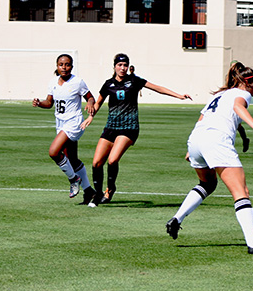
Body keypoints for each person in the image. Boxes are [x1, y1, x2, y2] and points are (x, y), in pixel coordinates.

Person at [166, 62, 253, 254]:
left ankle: (176, 219)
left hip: (196, 139)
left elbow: (204, 119)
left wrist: (192, 149)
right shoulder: (241, 94)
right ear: (244, 82)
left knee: (207, 184)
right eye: (252, 82)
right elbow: (238, 108)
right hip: (216, 141)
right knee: (241, 190)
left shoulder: (220, 95)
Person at [82, 53, 192, 207]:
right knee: (96, 163)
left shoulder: (134, 80)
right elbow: (98, 103)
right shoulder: (108, 84)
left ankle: (110, 189)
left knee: (113, 160)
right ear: (114, 66)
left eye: (125, 65)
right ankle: (98, 194)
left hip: (129, 128)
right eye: (120, 65)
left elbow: (157, 88)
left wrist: (179, 96)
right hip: (111, 127)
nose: (122, 68)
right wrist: (90, 116)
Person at [32, 54, 97, 204]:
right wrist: (39, 103)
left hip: (74, 123)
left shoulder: (77, 82)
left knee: (54, 152)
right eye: (61, 64)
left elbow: (90, 96)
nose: (64, 67)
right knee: (72, 159)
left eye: (67, 64)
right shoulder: (53, 82)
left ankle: (74, 179)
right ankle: (89, 192)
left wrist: (90, 103)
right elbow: (49, 103)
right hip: (60, 123)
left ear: (71, 67)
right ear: (57, 66)